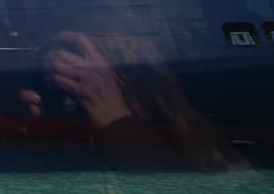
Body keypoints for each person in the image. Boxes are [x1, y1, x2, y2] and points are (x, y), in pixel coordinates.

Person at [20, 30, 245, 171]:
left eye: (75, 98)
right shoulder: (64, 164)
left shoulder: (208, 154)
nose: (66, 109)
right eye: (54, 95)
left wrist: (117, 124)